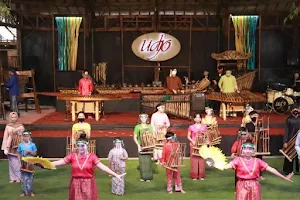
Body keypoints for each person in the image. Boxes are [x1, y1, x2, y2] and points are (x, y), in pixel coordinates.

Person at [51, 134, 125, 200]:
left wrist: (115, 174)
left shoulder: (92, 157)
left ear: (87, 145)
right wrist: (44, 164)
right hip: (75, 184)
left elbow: (103, 167)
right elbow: (57, 163)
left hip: (89, 184)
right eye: (78, 146)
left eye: (82, 146)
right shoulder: (72, 156)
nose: (80, 148)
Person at [222, 140, 293, 200]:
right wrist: (214, 163)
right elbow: (225, 166)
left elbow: (271, 169)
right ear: (242, 150)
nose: (248, 150)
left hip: (254, 185)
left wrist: (284, 178)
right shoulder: (237, 160)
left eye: (250, 148)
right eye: (246, 148)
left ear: (253, 150)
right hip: (241, 185)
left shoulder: (258, 161)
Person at [1, 112, 25, 183]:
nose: (13, 119)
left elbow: (23, 134)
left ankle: (19, 177)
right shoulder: (8, 126)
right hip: (10, 146)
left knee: (17, 162)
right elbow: (5, 137)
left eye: (14, 117)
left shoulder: (20, 126)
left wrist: (17, 130)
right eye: (12, 117)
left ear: (17, 118)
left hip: (18, 145)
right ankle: (12, 177)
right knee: (11, 162)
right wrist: (5, 147)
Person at [133, 113, 154, 182]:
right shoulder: (137, 127)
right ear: (140, 119)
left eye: (145, 118)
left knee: (148, 161)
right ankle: (143, 177)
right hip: (141, 146)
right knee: (142, 162)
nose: (143, 119)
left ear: (147, 119)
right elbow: (135, 137)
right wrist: (138, 145)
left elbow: (152, 136)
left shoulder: (150, 126)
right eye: (142, 118)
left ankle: (148, 177)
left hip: (148, 146)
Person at [187, 113, 208, 180]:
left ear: (201, 119)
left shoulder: (204, 127)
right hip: (194, 144)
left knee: (201, 159)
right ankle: (194, 175)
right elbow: (188, 136)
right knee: (194, 160)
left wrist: (205, 142)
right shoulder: (191, 127)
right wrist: (192, 141)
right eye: (196, 117)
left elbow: (206, 135)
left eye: (199, 117)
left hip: (201, 145)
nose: (198, 119)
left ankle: (201, 175)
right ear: (194, 119)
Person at [17, 130, 37, 197]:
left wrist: (30, 152)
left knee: (30, 177)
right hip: (23, 162)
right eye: (24, 136)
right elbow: (18, 153)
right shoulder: (20, 145)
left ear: (29, 136)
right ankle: (23, 191)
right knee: (23, 178)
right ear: (23, 137)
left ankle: (30, 191)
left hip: (30, 162)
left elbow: (35, 153)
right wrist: (19, 162)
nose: (26, 137)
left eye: (27, 136)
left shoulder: (32, 144)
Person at [245, 110, 264, 179]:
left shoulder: (260, 123)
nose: (255, 117)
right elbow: (247, 133)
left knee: (259, 158)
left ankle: (260, 174)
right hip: (251, 143)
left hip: (259, 143)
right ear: (250, 117)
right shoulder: (248, 124)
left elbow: (262, 133)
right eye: (254, 116)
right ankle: (250, 173)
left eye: (256, 116)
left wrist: (261, 131)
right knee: (251, 158)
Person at [283, 107, 300, 174]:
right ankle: (288, 170)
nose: (295, 111)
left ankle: (298, 169)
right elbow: (286, 131)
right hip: (290, 140)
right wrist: (285, 141)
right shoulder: (289, 119)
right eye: (294, 109)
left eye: (297, 109)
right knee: (289, 155)